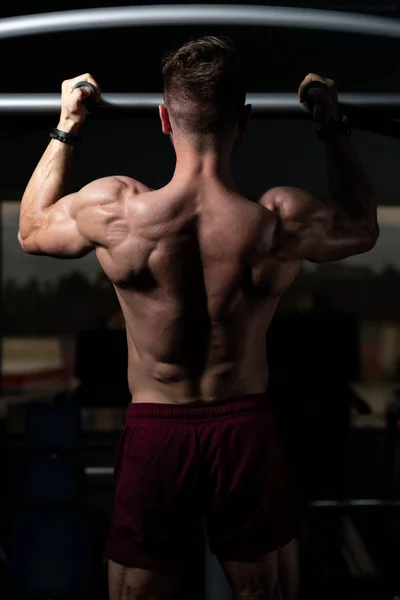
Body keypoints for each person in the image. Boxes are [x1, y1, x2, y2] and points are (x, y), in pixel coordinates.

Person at [18, 36, 378, 600]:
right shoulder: (276, 221)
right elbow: (361, 225)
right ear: (246, 121)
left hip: (157, 429)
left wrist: (68, 124)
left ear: (164, 118)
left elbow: (32, 229)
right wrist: (330, 124)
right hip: (245, 429)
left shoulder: (118, 211)